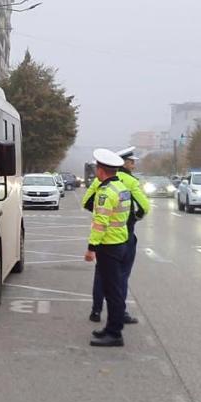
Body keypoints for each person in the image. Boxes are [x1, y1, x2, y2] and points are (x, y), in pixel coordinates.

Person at [84, 146, 150, 324]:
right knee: (121, 277)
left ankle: (96, 311)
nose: (133, 165)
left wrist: (100, 212)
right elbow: (145, 207)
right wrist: (133, 219)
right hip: (123, 236)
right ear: (123, 163)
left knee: (101, 275)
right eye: (132, 162)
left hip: (104, 238)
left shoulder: (101, 182)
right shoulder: (128, 182)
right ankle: (120, 316)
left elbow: (86, 202)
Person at [84, 148, 134, 347]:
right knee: (113, 288)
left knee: (112, 291)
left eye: (97, 167)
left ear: (101, 170)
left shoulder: (105, 192)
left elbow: (100, 222)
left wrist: (91, 248)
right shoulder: (121, 188)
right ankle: (111, 328)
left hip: (109, 245)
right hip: (121, 241)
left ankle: (115, 333)